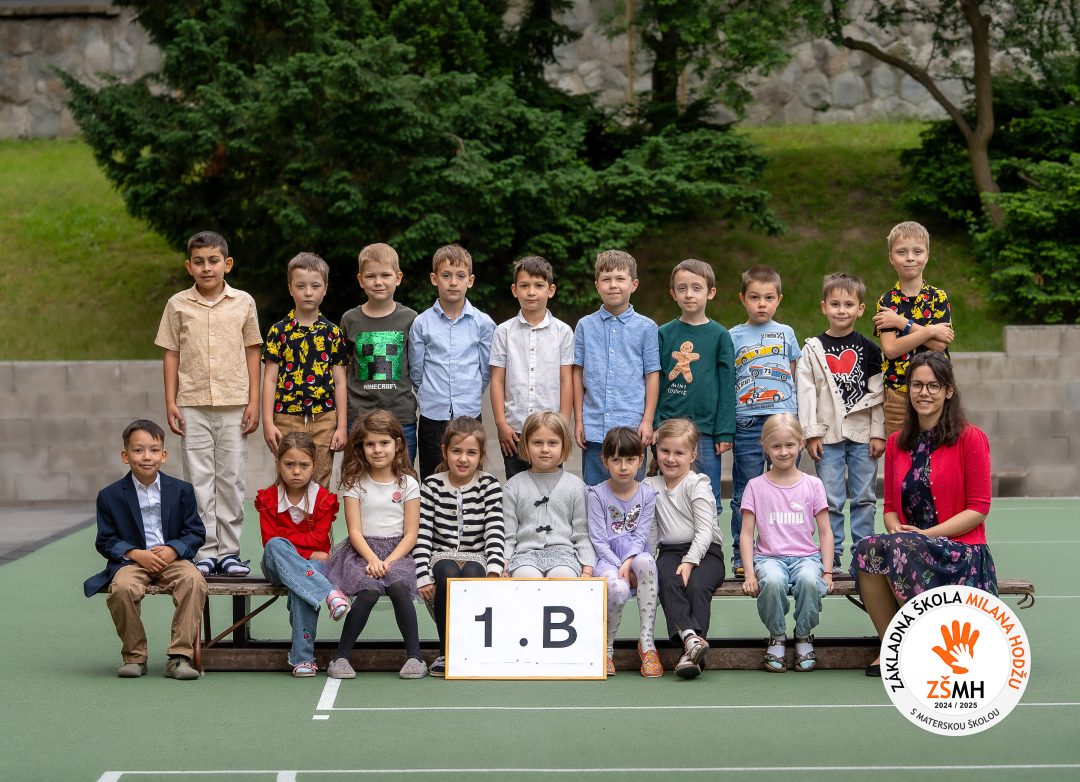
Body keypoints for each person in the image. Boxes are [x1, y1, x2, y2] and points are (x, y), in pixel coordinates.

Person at [855, 352, 996, 678]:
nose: (924, 392)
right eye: (917, 385)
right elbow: (890, 508)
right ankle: (892, 646)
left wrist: (924, 536)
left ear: (948, 391)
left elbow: (979, 508)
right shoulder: (896, 443)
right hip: (910, 545)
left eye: (934, 386)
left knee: (902, 548)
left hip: (959, 550)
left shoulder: (970, 438)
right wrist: (898, 530)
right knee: (867, 548)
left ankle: (926, 647)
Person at [155, 230, 262, 577]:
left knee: (231, 479)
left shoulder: (243, 302)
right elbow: (171, 353)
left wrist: (254, 402)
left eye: (213, 261)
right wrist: (171, 401)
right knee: (198, 480)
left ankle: (229, 552)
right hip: (192, 403)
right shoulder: (177, 304)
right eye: (199, 262)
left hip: (234, 403)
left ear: (227, 264)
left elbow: (253, 351)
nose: (206, 268)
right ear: (189, 266)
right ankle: (204, 550)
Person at [83, 420, 207, 680]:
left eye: (153, 450)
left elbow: (195, 532)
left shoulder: (182, 490)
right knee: (122, 588)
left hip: (172, 560)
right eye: (138, 450)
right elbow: (105, 540)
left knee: (193, 580)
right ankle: (135, 656)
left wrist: (174, 549)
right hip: (132, 562)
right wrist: (134, 553)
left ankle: (180, 657)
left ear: (164, 455)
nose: (146, 457)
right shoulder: (110, 495)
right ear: (125, 456)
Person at [324, 410, 427, 680]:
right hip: (362, 553)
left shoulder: (408, 483)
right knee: (368, 591)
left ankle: (415, 657)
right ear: (361, 447)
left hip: (398, 553)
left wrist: (389, 561)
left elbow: (410, 534)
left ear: (398, 444)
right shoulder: (354, 483)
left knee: (399, 587)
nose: (377, 450)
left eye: (384, 443)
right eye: (370, 444)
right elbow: (354, 531)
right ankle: (340, 657)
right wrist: (371, 559)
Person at [796, 272, 885, 572]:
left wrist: (878, 433)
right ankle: (830, 554)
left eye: (849, 304)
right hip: (828, 435)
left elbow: (878, 394)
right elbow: (806, 393)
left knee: (864, 497)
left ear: (860, 309)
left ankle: (864, 555)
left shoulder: (870, 349)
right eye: (835, 304)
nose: (841, 310)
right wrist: (811, 433)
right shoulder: (813, 349)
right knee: (830, 499)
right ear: (824, 307)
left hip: (862, 434)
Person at [739, 414, 833, 673]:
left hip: (806, 558)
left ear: (801, 444)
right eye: (776, 446)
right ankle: (777, 635)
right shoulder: (755, 486)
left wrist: (826, 571)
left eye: (789, 445)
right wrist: (749, 574)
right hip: (769, 558)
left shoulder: (813, 484)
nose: (783, 452)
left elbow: (825, 532)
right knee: (772, 581)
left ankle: (803, 635)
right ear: (765, 447)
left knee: (809, 581)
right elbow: (746, 534)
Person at [255, 432, 351, 677]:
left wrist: (293, 543)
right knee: (276, 544)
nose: (296, 471)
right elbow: (270, 541)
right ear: (278, 463)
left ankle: (303, 659)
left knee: (302, 587)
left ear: (314, 465)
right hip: (277, 566)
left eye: (303, 465)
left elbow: (319, 539)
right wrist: (307, 551)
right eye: (289, 464)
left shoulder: (323, 499)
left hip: (311, 570)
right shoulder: (268, 498)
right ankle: (329, 593)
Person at [416, 417, 505, 677]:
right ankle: (446, 652)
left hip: (476, 556)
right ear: (445, 451)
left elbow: (494, 529)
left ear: (481, 455)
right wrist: (422, 574)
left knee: (473, 575)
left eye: (471, 453)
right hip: (441, 555)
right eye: (456, 451)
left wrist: (494, 568)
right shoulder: (432, 485)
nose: (463, 459)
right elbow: (423, 533)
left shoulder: (489, 485)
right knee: (447, 573)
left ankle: (471, 650)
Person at [729, 264, 801, 576]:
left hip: (781, 420)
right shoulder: (732, 336)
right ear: (742, 299)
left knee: (785, 489)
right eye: (755, 297)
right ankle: (740, 555)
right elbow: (730, 379)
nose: (762, 304)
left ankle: (785, 549)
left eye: (769, 298)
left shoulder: (786, 333)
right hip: (746, 422)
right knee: (745, 491)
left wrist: (794, 417)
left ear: (778, 299)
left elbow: (793, 374)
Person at [645, 418, 725, 679]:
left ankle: (689, 654)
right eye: (665, 451)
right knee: (666, 577)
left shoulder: (697, 484)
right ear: (656, 450)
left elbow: (705, 531)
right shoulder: (650, 486)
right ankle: (691, 640)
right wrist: (645, 561)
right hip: (670, 552)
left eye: (679, 453)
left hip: (706, 552)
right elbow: (652, 532)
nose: (670, 459)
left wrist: (690, 561)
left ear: (692, 455)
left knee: (696, 586)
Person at [655, 258, 735, 516]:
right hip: (668, 428)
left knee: (707, 497)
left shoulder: (720, 335)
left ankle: (708, 541)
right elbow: (654, 379)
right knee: (666, 495)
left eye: (696, 288)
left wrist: (724, 430)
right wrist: (655, 423)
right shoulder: (664, 333)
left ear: (710, 292)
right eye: (682, 288)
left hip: (706, 431)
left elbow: (727, 385)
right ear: (673, 293)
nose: (689, 294)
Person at [573, 249, 660, 485]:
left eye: (620, 279)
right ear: (597, 285)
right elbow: (577, 373)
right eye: (606, 279)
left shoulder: (647, 328)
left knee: (632, 493)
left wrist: (647, 420)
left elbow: (652, 375)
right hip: (594, 427)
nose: (613, 285)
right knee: (594, 492)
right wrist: (579, 420)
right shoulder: (584, 326)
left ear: (634, 284)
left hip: (632, 427)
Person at [261, 252, 348, 488]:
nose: (308, 292)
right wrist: (268, 422)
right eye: (300, 286)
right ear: (290, 288)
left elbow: (340, 382)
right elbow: (270, 380)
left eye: (315, 286)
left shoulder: (333, 333)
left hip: (324, 418)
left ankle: (318, 516)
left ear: (325, 289)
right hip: (287, 417)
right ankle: (287, 515)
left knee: (320, 479)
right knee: (290, 478)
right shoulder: (278, 332)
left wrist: (341, 426)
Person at [409, 244, 496, 479]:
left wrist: (471, 391)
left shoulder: (483, 323)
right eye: (446, 275)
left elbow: (485, 370)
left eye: (460, 276)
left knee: (469, 474)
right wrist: (429, 392)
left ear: (470, 280)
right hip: (432, 413)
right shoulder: (422, 323)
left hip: (469, 412)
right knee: (432, 475)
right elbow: (417, 370)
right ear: (434, 279)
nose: (453, 282)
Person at [490, 256, 574, 479]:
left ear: (551, 290)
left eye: (538, 285)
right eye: (524, 286)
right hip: (514, 430)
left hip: (551, 429)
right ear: (514, 290)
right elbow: (497, 380)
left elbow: (566, 379)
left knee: (551, 487)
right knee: (516, 486)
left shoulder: (563, 332)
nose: (531, 292)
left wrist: (564, 423)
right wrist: (501, 424)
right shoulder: (503, 332)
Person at [587, 427, 662, 678]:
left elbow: (641, 536)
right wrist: (619, 564)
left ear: (640, 460)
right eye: (616, 460)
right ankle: (607, 649)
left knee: (647, 563)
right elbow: (599, 541)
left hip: (635, 554)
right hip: (607, 559)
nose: (623, 467)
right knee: (617, 589)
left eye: (630, 460)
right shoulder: (596, 494)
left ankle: (647, 643)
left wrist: (628, 561)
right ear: (604, 461)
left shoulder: (647, 494)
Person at [871, 221, 954, 436]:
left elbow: (940, 345)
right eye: (902, 252)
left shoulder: (938, 297)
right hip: (898, 392)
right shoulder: (886, 302)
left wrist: (901, 323)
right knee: (900, 448)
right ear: (891, 258)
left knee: (937, 448)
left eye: (917, 251)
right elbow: (890, 349)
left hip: (934, 389)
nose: (910, 258)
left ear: (927, 255)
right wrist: (930, 330)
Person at [340, 242, 419, 462]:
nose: (378, 282)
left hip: (400, 417)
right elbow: (343, 370)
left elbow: (417, 366)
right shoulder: (350, 320)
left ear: (398, 278)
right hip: (358, 417)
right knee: (357, 476)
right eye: (371, 276)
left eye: (385, 275)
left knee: (403, 476)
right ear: (360, 280)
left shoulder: (411, 319)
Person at [504, 412, 595, 578]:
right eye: (537, 443)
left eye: (552, 443)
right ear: (526, 445)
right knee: (526, 576)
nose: (545, 449)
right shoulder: (513, 486)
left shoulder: (576, 486)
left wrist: (587, 569)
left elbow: (582, 533)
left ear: (563, 446)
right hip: (525, 555)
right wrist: (504, 563)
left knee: (563, 576)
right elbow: (508, 535)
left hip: (564, 555)